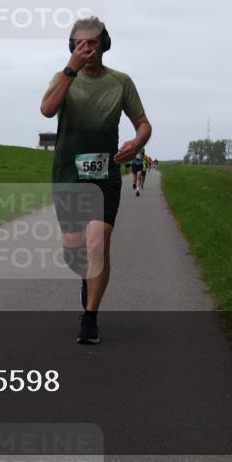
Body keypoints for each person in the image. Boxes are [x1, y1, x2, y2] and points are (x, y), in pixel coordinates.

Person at [40, 17, 151, 344]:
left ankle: (90, 317)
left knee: (98, 244)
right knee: (75, 252)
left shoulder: (121, 82)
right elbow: (47, 109)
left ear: (104, 44)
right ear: (72, 47)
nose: (86, 48)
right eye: (79, 43)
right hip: (68, 175)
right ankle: (88, 279)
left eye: (92, 42)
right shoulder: (63, 78)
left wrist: (136, 142)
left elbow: (144, 123)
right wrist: (69, 71)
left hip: (105, 177)